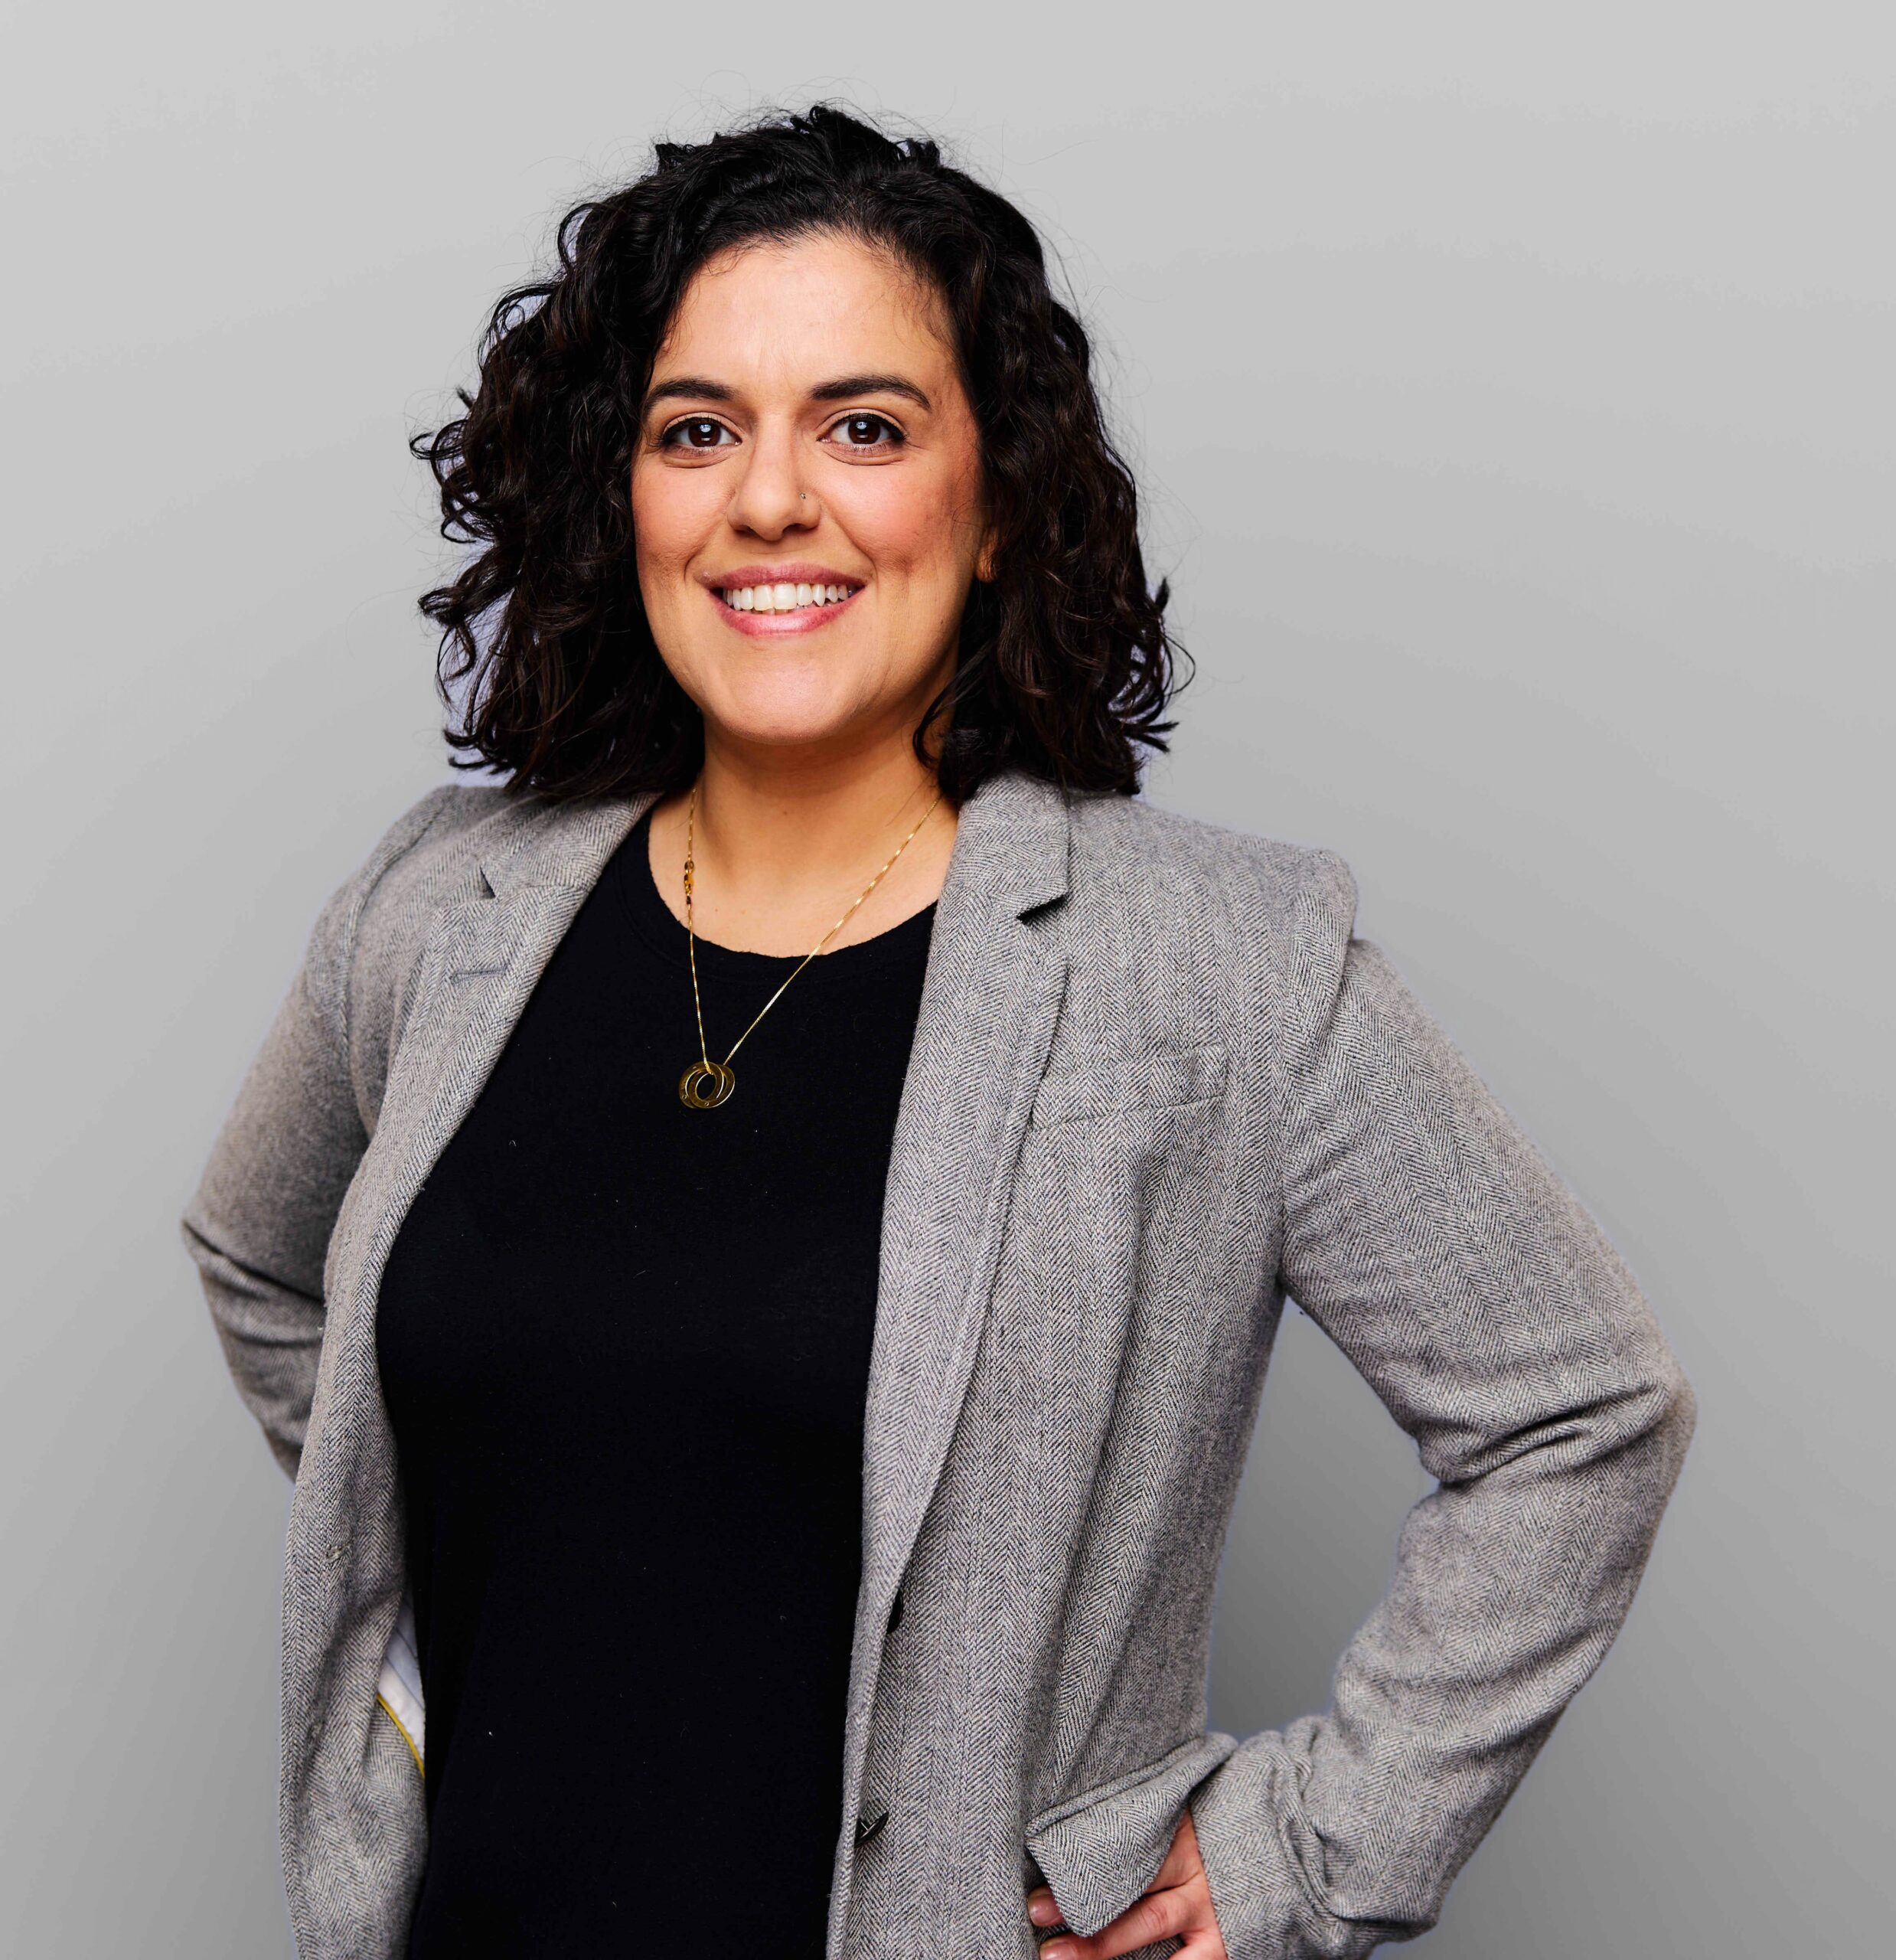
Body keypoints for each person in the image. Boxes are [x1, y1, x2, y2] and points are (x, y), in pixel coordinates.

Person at [180, 103, 1698, 1960]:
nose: (768, 500)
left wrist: (1306, 1848)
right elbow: (259, 1259)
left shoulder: (1212, 964)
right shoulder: (441, 906)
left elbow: (1580, 1411)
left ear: (992, 512)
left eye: (865, 426)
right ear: (624, 496)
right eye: (696, 430)